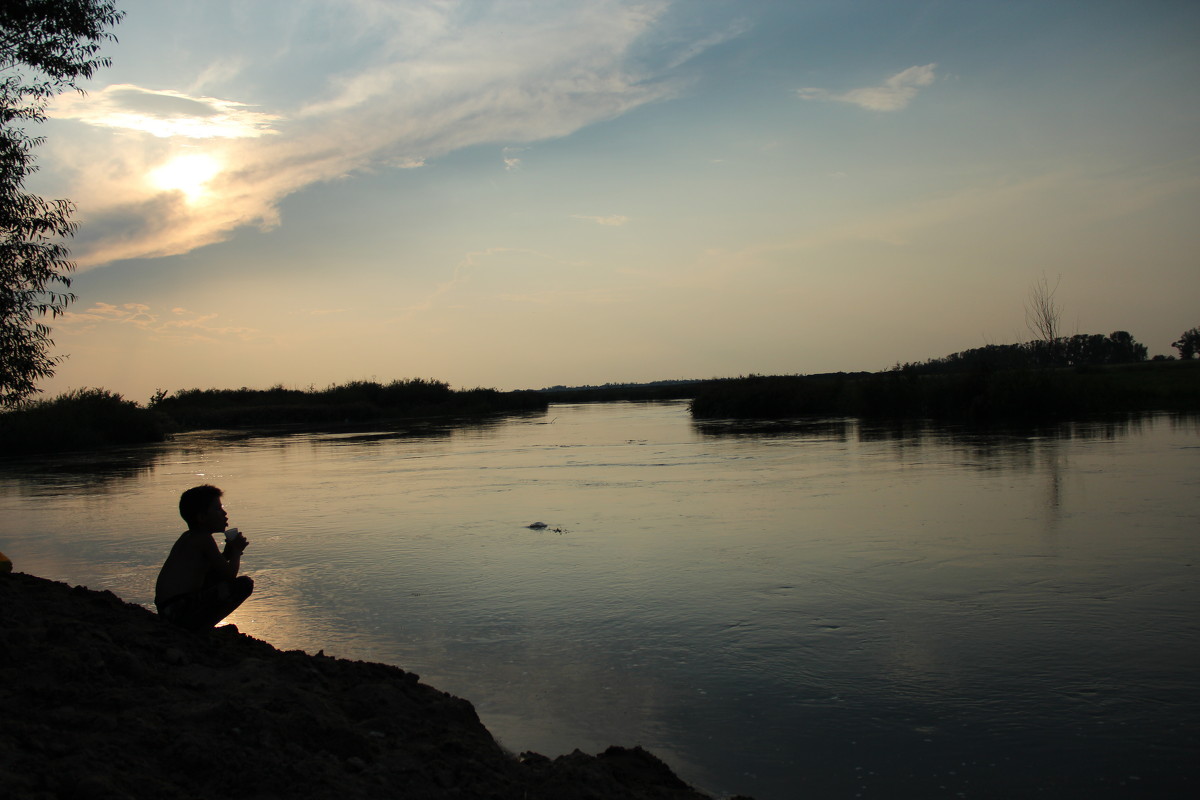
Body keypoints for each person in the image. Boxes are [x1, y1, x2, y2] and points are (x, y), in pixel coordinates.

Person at [155, 484, 253, 631]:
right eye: (218, 509)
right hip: (177, 610)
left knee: (214, 578)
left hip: (168, 609)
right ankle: (201, 626)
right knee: (243, 585)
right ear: (201, 517)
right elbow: (229, 575)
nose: (224, 513)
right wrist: (236, 552)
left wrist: (227, 554)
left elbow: (211, 569)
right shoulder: (203, 539)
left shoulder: (190, 537)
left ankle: (199, 624)